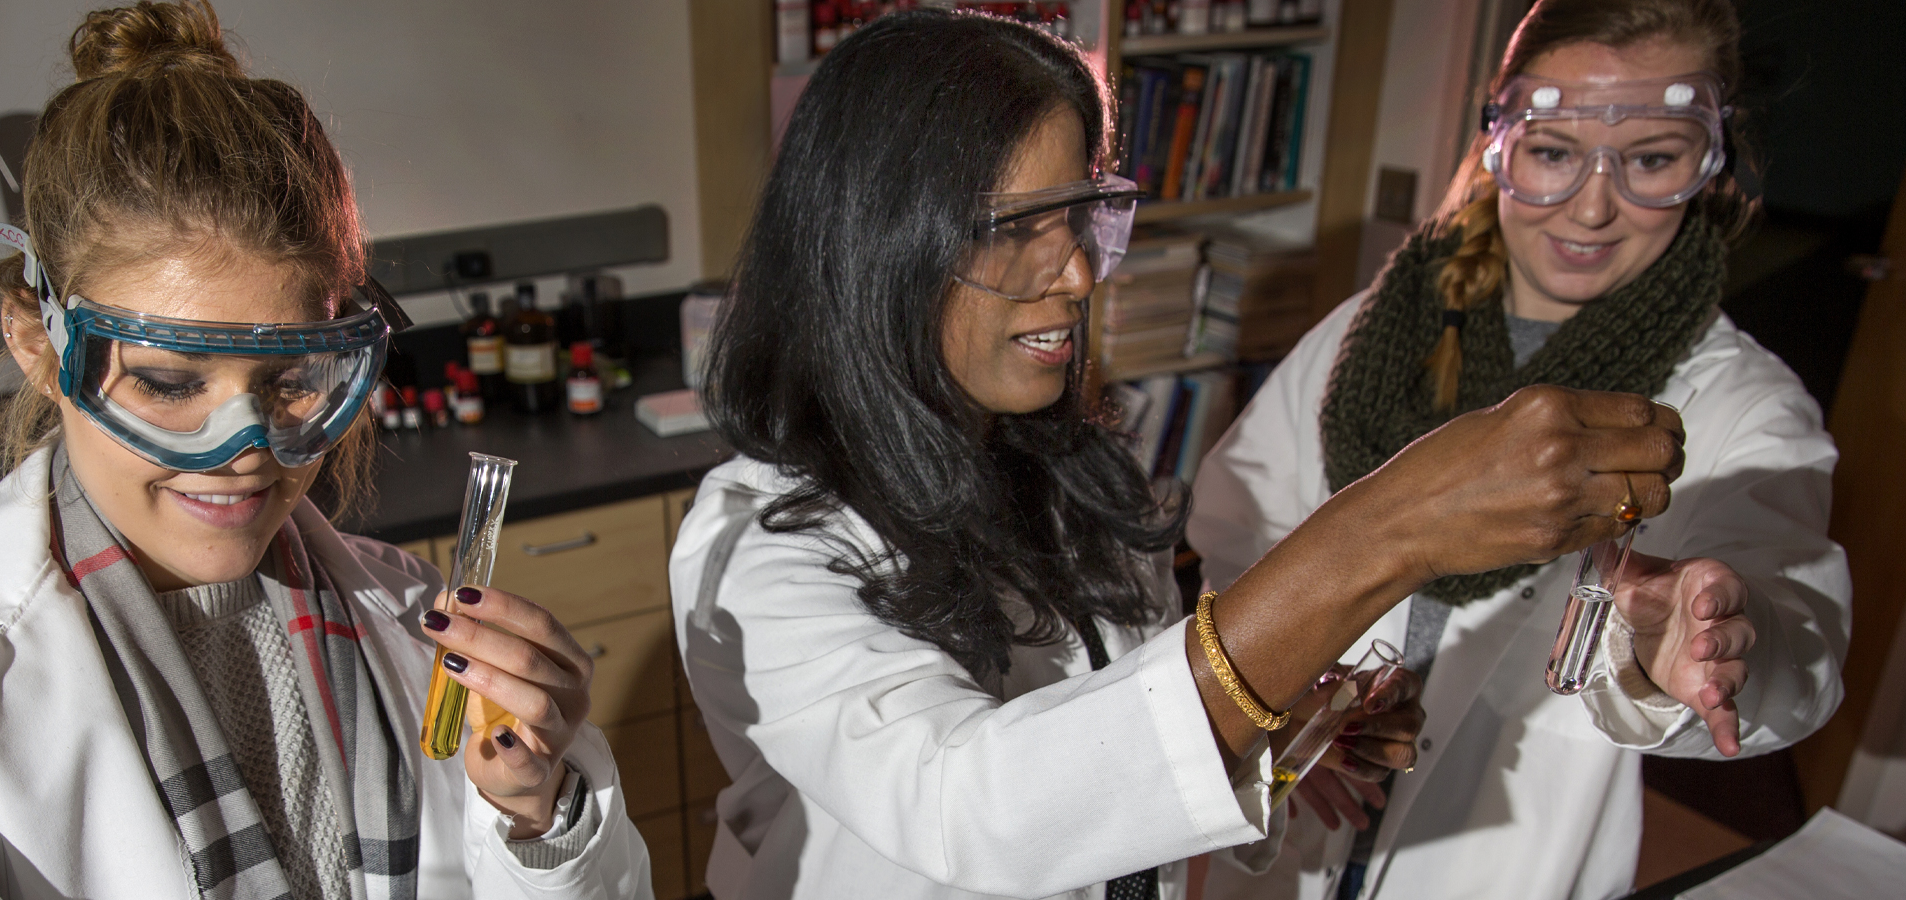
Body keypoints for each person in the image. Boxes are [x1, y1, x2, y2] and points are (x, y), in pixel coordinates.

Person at [667, 10, 1686, 900]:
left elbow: (1107, 746)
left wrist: (1270, 740)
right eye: (1016, 229)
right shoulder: (764, 540)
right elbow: (978, 807)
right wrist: (1383, 531)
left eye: (1080, 216)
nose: (1072, 272)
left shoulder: (1069, 478)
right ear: (878, 245)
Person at [0, 3, 652, 897]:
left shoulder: (420, 618)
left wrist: (538, 818)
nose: (246, 449)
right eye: (167, 383)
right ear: (39, 346)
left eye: (292, 380)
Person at [1190, 2, 1851, 899]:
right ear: (1498, 143)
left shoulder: (1744, 405)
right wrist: (1282, 691)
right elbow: (1237, 526)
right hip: (1301, 820)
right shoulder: (1373, 331)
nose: (1591, 204)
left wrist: (1718, 643)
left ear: (1713, 160)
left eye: (1651, 159)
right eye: (1552, 153)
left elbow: (1797, 644)